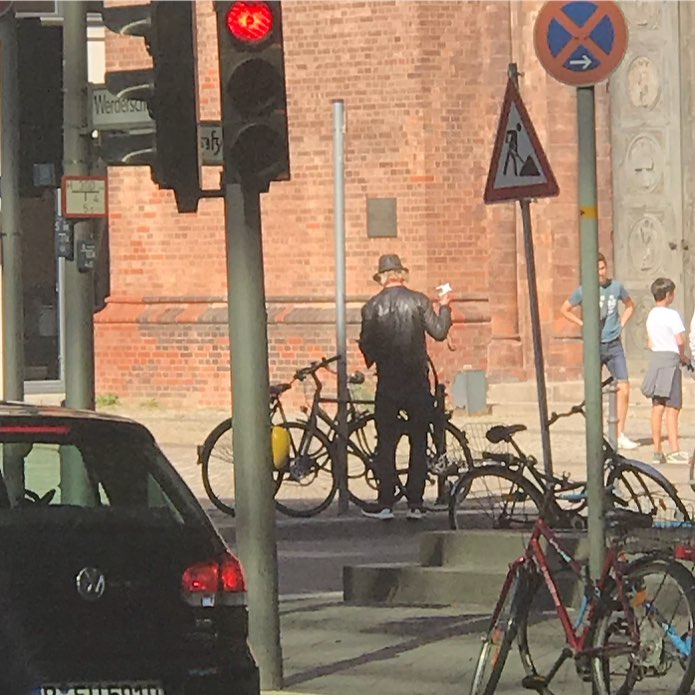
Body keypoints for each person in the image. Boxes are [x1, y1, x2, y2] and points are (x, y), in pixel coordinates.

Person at [358, 254, 452, 521]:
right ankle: (415, 503)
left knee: (386, 444)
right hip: (416, 383)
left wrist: (376, 359)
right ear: (402, 274)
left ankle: (386, 503)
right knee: (418, 442)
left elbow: (366, 344)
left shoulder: (371, 307)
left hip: (388, 384)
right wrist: (444, 306)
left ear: (382, 277)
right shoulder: (419, 301)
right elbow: (439, 332)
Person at [560, 253, 638, 449]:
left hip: (614, 343)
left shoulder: (616, 287)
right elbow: (564, 309)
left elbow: (630, 305)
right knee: (593, 388)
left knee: (624, 387)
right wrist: (583, 324)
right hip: (594, 345)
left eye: (603, 268)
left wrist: (621, 323)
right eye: (597, 270)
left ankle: (619, 433)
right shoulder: (583, 290)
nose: (601, 273)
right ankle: (595, 433)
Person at [641, 278, 690, 464]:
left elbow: (650, 341)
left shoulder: (651, 314)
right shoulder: (672, 315)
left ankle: (657, 450)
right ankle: (674, 450)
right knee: (673, 407)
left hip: (656, 360)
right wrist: (683, 356)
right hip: (670, 360)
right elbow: (679, 340)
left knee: (657, 406)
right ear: (668, 295)